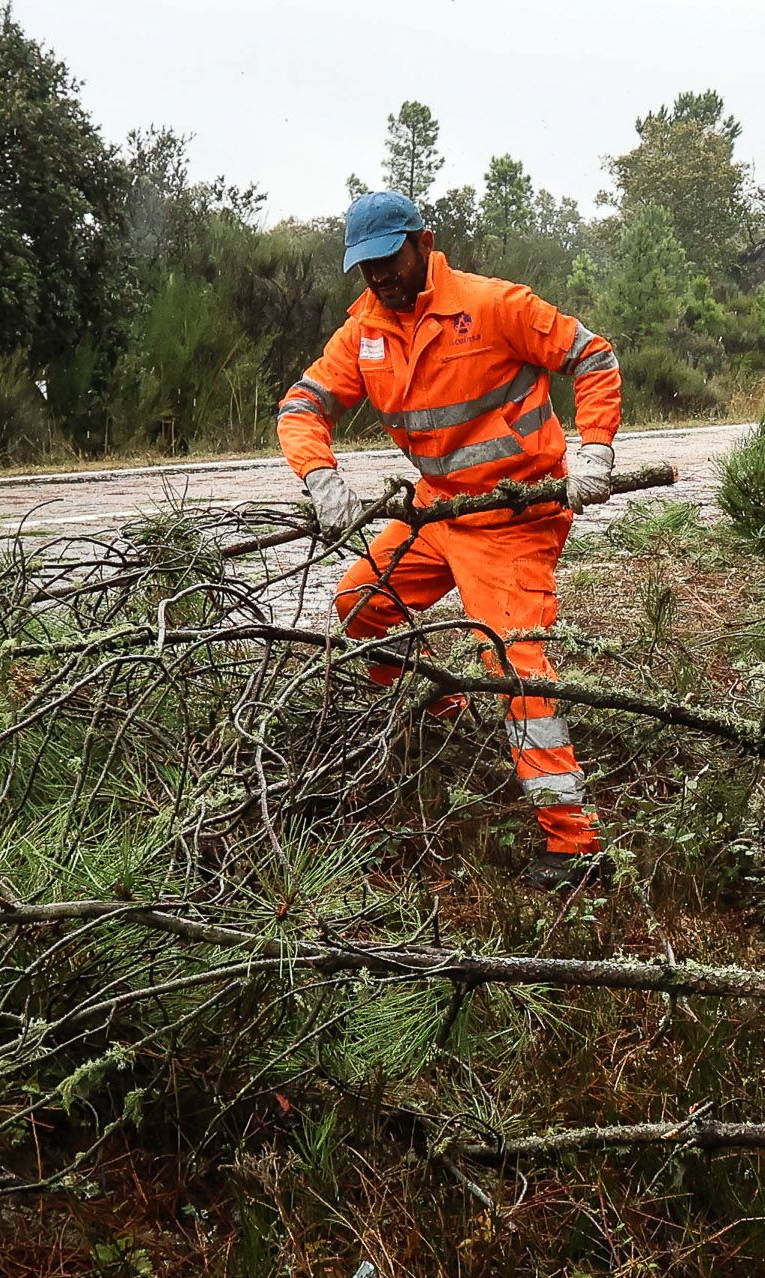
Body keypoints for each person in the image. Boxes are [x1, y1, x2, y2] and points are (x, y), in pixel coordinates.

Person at [277, 190, 623, 888]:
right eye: (364, 268)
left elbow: (592, 357)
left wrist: (595, 453)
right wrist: (318, 473)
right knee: (360, 605)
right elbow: (303, 403)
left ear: (423, 241)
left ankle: (576, 846)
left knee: (515, 666)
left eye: (388, 260)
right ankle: (443, 710)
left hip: (515, 517)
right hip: (438, 513)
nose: (378, 278)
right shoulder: (365, 332)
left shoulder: (495, 305)